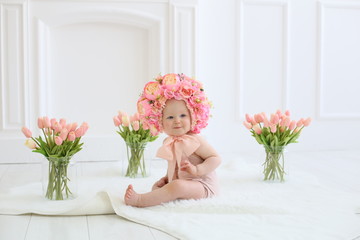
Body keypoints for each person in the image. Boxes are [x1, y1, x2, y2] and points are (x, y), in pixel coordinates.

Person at [124, 73, 221, 207]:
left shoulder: (195, 140)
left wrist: (197, 170)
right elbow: (174, 164)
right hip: (185, 184)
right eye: (170, 117)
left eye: (182, 115)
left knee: (177, 187)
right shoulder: (168, 142)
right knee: (163, 186)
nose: (177, 121)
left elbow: (215, 158)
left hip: (203, 186)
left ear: (193, 116)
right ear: (160, 121)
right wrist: (167, 178)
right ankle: (161, 192)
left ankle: (140, 200)